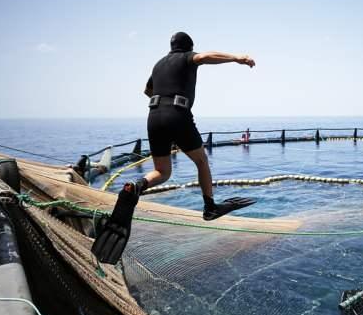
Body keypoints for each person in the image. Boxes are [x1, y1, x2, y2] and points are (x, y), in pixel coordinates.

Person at [91, 32, 256, 264]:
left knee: (162, 171)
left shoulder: (159, 64)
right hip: (177, 114)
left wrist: (164, 97)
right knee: (201, 161)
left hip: (154, 115)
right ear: (189, 47)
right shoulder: (187, 57)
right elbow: (206, 56)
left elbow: (147, 90)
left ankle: (136, 186)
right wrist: (237, 58)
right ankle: (210, 207)